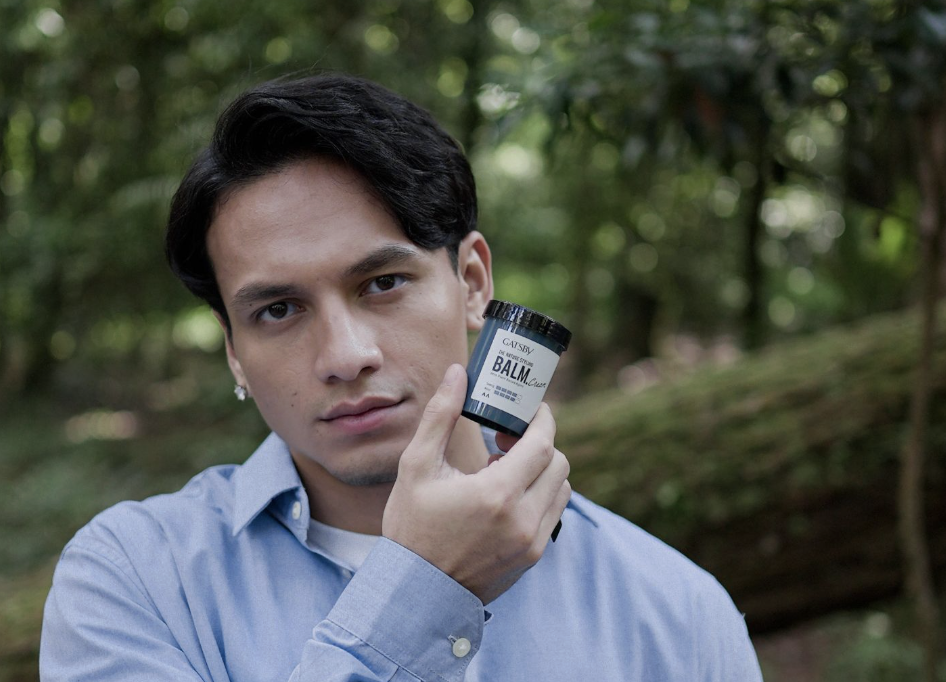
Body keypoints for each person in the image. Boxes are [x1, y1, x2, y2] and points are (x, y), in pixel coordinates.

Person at [40, 73, 762, 681]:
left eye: (382, 283)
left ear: (473, 282)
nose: (345, 354)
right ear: (233, 349)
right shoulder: (134, 582)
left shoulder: (677, 612)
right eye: (279, 309)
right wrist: (422, 590)